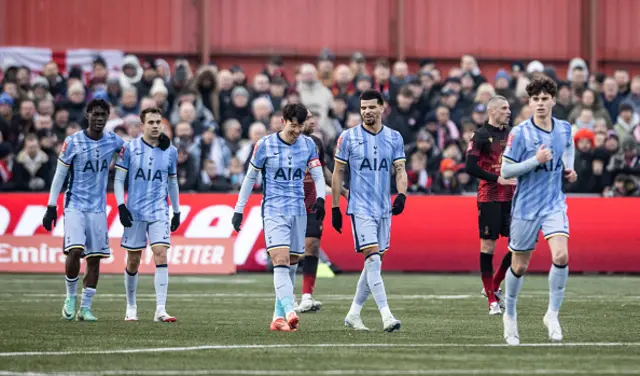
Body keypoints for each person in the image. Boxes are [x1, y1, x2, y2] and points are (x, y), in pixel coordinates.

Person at [232, 103, 326, 332]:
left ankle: (277, 318)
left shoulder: (308, 145)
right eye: (293, 126)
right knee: (281, 261)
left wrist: (321, 199)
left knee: (292, 264)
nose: (296, 131)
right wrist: (239, 208)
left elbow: (318, 175)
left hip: (299, 211)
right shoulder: (264, 145)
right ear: (283, 122)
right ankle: (290, 310)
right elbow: (249, 177)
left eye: (300, 126)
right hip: (274, 210)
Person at [500, 77, 577, 345]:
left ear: (553, 101)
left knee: (561, 254)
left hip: (554, 203)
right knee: (519, 266)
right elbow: (506, 171)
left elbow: (569, 145)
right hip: (526, 207)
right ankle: (509, 315)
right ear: (529, 102)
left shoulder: (564, 128)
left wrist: (569, 167)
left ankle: (552, 314)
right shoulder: (520, 133)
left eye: (545, 99)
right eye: (536, 100)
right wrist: (536, 160)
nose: (540, 104)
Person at [42, 99, 125, 321]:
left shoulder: (112, 141)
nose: (99, 119)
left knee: (95, 258)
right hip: (75, 206)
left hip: (98, 208)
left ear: (108, 118)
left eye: (103, 115)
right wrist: (51, 206)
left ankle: (85, 307)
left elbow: (134, 150)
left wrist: (157, 142)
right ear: (88, 115)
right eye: (95, 114)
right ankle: (70, 297)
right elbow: (60, 174)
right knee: (75, 251)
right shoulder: (73, 142)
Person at [331, 89, 407, 332]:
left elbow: (400, 169)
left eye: (371, 107)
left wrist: (402, 194)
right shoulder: (348, 137)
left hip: (383, 208)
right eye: (363, 108)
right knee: (373, 258)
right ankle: (387, 316)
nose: (367, 112)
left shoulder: (395, 137)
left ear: (382, 108)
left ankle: (353, 313)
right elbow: (338, 173)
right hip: (360, 206)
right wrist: (335, 206)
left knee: (374, 263)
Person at [114, 107, 181, 322]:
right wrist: (120, 206)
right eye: (150, 122)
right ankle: (131, 306)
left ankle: (160, 309)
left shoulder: (170, 150)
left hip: (159, 210)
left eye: (158, 122)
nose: (154, 126)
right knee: (133, 259)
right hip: (134, 212)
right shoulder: (129, 149)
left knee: (161, 253)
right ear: (142, 125)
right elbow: (118, 180)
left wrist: (177, 210)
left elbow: (172, 181)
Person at [465, 96, 517, 315]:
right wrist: (497, 179)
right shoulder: (480, 135)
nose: (508, 111)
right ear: (492, 111)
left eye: (508, 107)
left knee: (519, 246)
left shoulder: (512, 134)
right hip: (490, 197)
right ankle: (491, 301)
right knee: (488, 246)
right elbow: (469, 166)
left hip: (513, 197)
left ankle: (494, 285)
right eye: (504, 108)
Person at [295, 110, 349, 313]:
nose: (313, 121)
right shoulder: (281, 143)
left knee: (313, 245)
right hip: (288, 203)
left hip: (312, 202)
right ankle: (287, 297)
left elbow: (322, 171)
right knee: (289, 252)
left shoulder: (316, 143)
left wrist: (342, 191)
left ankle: (307, 296)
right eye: (308, 118)